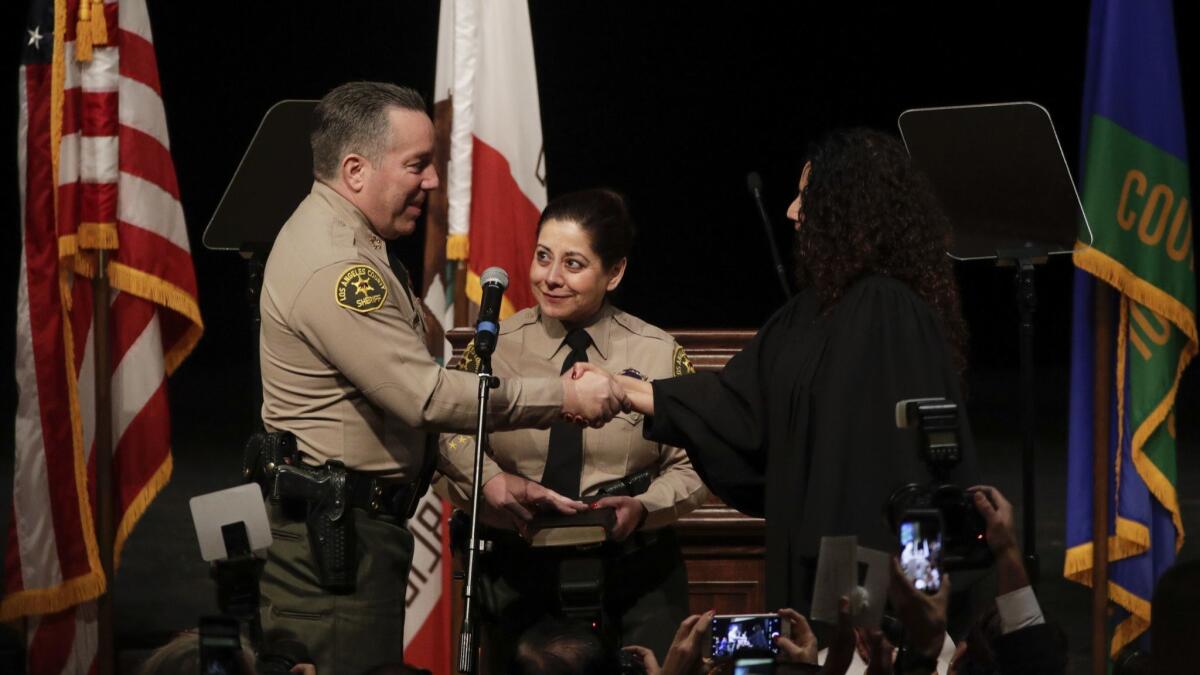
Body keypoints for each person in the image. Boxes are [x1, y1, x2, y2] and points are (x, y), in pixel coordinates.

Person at [255, 82, 629, 675]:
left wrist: (484, 482)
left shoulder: (361, 244)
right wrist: (564, 395)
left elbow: (395, 401)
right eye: (417, 165)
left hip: (356, 537)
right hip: (337, 549)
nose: (432, 181)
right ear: (355, 170)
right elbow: (425, 397)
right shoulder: (337, 266)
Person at [612, 128, 978, 615]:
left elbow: (892, 477)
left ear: (850, 210)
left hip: (866, 594)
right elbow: (743, 407)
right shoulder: (815, 310)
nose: (791, 211)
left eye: (807, 197)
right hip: (827, 580)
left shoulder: (886, 310)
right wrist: (630, 392)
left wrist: (871, 608)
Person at [438, 189, 709, 666]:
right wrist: (490, 479)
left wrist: (644, 508)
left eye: (573, 264)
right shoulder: (493, 348)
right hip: (520, 568)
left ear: (616, 272)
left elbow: (695, 466)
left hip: (634, 571)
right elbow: (447, 435)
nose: (551, 278)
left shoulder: (657, 353)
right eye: (543, 257)